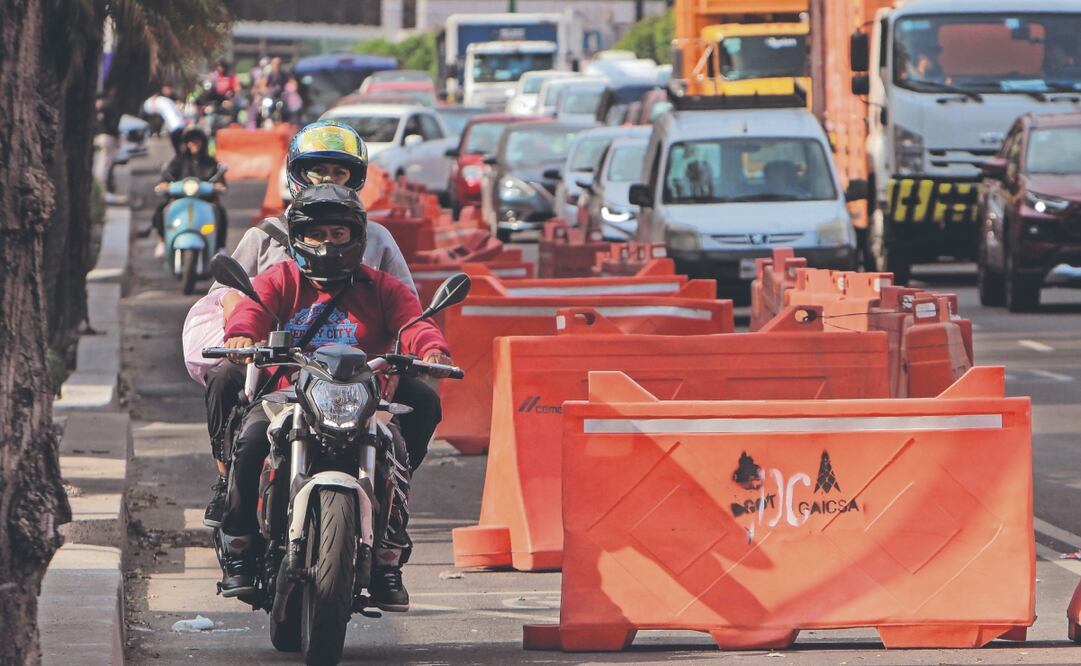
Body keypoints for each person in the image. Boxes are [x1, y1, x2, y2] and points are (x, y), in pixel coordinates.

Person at [217, 183, 452, 611]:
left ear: (356, 237)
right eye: (317, 234)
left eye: (338, 234)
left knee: (396, 448)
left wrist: (431, 349)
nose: (327, 245)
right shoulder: (281, 278)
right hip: (288, 395)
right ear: (298, 238)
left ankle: (388, 556)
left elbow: (414, 321)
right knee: (251, 439)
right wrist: (242, 336)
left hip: (363, 399)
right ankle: (239, 545)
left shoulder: (380, 286)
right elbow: (252, 309)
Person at [199, 121, 431, 532]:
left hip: (361, 376)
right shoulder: (266, 240)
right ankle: (228, 484)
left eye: (339, 172)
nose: (328, 180)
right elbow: (230, 296)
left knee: (423, 402)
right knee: (225, 386)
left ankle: (391, 493)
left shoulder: (378, 241)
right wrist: (243, 330)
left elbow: (407, 311)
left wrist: (416, 352)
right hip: (281, 370)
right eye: (318, 170)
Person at [152, 127, 227, 259]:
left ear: (203, 143)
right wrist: (164, 184)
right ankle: (162, 241)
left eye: (197, 141)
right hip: (180, 199)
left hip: (205, 200)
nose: (194, 145)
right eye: (191, 142)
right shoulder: (179, 161)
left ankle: (220, 247)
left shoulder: (210, 162)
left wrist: (218, 186)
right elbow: (166, 177)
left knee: (220, 213)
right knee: (162, 210)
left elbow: (220, 181)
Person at [142, 85, 187, 153]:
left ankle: (180, 153)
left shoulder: (170, 97)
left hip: (175, 124)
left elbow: (177, 105)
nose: (166, 91)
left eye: (167, 89)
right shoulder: (162, 99)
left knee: (177, 142)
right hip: (174, 123)